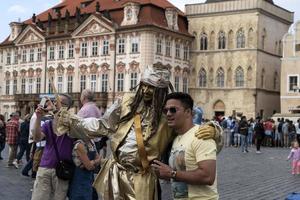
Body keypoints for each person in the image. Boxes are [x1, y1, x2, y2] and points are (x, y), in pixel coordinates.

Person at [55, 65, 222, 200]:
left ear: (162, 91)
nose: (148, 91)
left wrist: (215, 130)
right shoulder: (127, 102)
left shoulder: (168, 114)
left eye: (154, 88)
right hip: (115, 173)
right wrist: (72, 121)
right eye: (146, 85)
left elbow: (192, 131)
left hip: (142, 178)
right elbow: (103, 125)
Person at [151, 92, 219, 199]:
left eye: (173, 110)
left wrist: (171, 173)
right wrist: (163, 173)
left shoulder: (201, 135)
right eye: (165, 110)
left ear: (188, 112)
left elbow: (208, 177)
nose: (168, 114)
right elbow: (181, 174)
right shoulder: (176, 139)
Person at [31, 94, 74, 200]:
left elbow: (67, 123)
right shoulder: (48, 123)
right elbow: (37, 138)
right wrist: (38, 117)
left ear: (67, 107)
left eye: (59, 103)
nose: (55, 104)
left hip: (62, 169)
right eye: (55, 102)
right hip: (45, 167)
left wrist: (56, 111)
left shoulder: (72, 123)